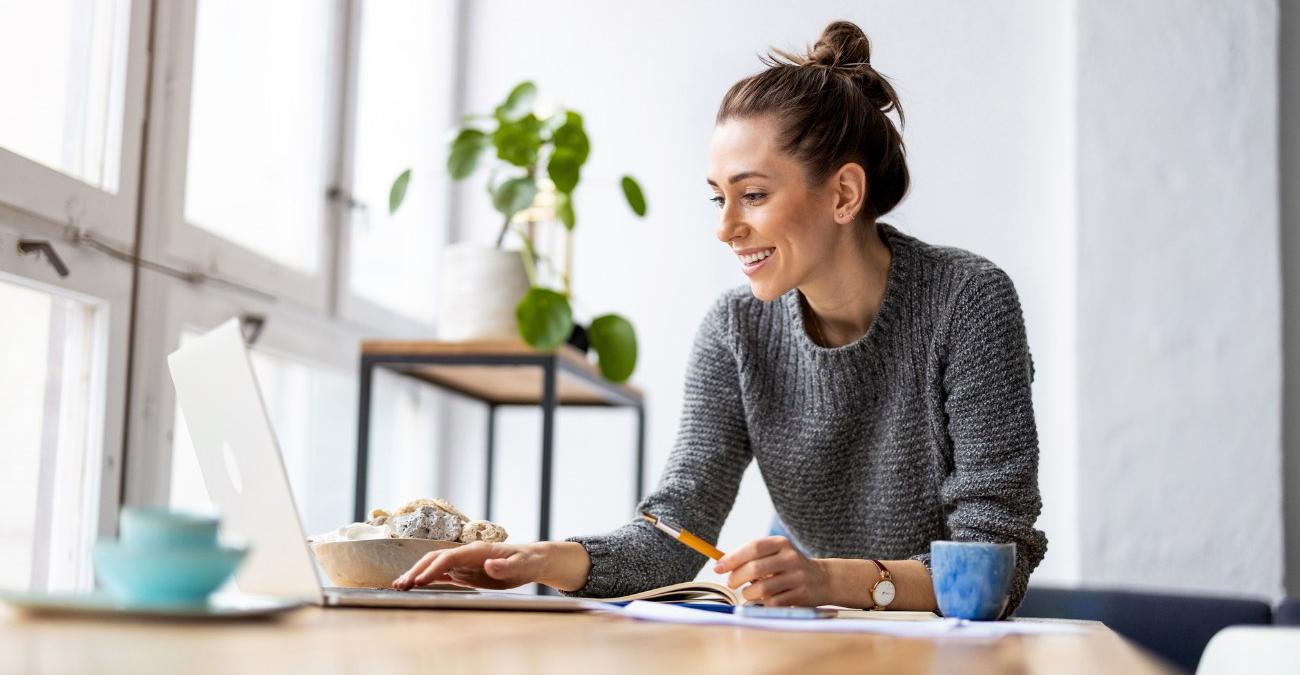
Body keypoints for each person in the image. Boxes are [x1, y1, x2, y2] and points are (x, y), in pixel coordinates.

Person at [394, 20, 1047, 616]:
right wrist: (541, 561)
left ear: (844, 193)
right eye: (718, 198)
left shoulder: (969, 302)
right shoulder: (736, 330)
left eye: (753, 195)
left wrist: (826, 579)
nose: (726, 228)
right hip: (814, 636)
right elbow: (676, 533)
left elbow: (993, 567)